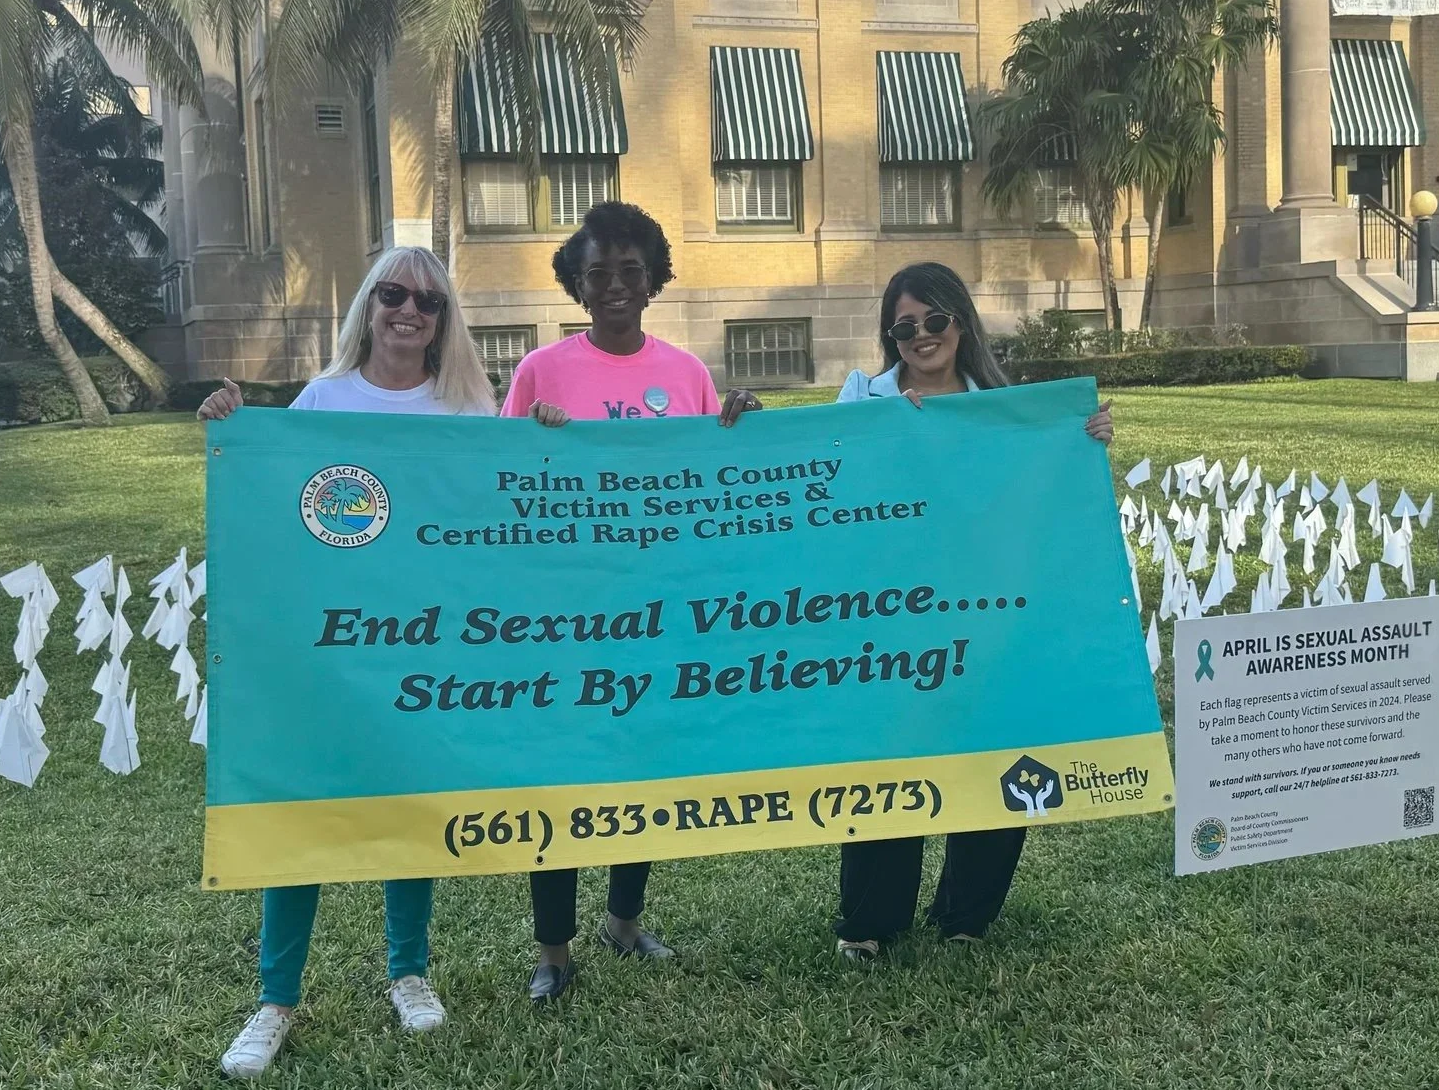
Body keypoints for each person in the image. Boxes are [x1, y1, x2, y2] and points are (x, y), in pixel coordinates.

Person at [197, 246, 499, 1080]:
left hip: (429, 642)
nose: (410, 311)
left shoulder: (469, 405)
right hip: (326, 648)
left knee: (407, 806)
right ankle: (275, 999)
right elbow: (272, 494)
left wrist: (541, 433)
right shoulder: (323, 399)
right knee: (304, 812)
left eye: (428, 301)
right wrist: (232, 423)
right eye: (394, 294)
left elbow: (507, 507)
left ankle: (409, 971)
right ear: (368, 304)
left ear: (444, 322)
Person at [501, 200, 762, 1002]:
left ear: (653, 280)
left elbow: (708, 484)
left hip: (659, 606)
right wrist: (536, 440)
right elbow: (500, 483)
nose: (614, 285)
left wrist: (735, 429)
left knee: (643, 766)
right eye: (596, 274)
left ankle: (622, 920)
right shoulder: (539, 371)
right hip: (565, 610)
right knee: (566, 772)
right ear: (576, 288)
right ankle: (553, 948)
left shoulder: (684, 372)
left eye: (629, 271)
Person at [826, 261, 1112, 963]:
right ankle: (869, 921)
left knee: (992, 748)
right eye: (903, 326)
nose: (919, 336)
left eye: (933, 320)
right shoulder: (864, 394)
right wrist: (885, 429)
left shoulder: (1005, 408)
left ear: (961, 321)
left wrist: (1084, 440)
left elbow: (1045, 497)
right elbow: (829, 479)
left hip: (990, 613)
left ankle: (965, 915)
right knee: (890, 757)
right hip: (892, 616)